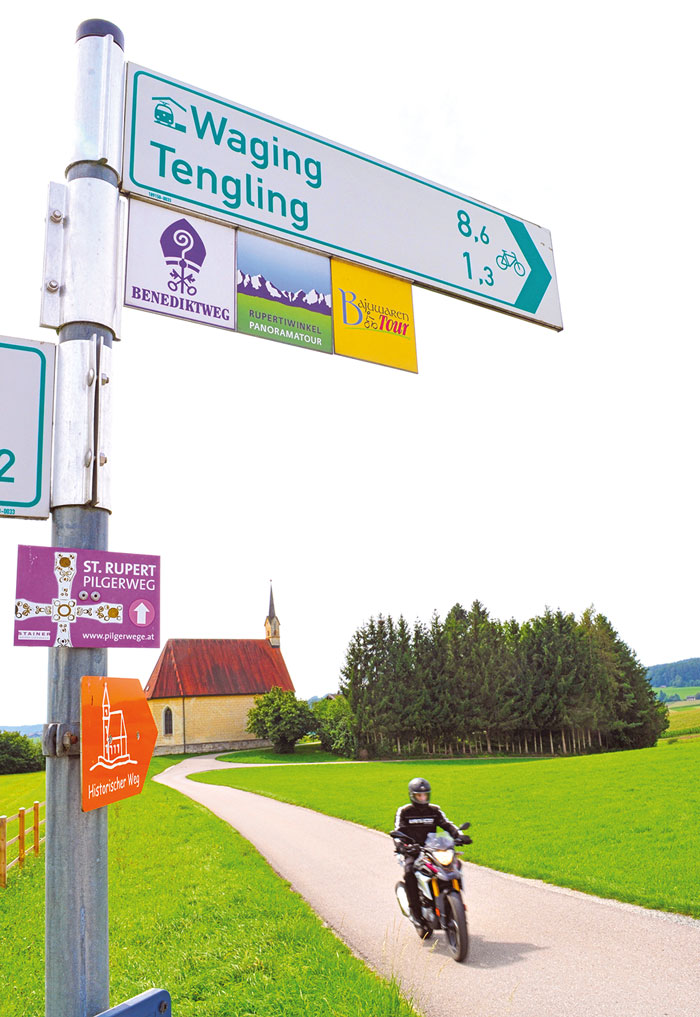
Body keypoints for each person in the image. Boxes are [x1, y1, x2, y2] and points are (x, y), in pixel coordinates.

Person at [393, 777, 469, 927]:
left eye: (425, 795)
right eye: (419, 796)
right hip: (413, 850)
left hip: (433, 848)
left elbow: (447, 824)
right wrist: (402, 846)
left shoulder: (434, 810)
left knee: (455, 865)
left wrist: (458, 835)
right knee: (409, 871)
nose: (422, 798)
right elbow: (398, 831)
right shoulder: (404, 811)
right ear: (412, 796)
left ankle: (456, 902)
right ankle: (415, 911)